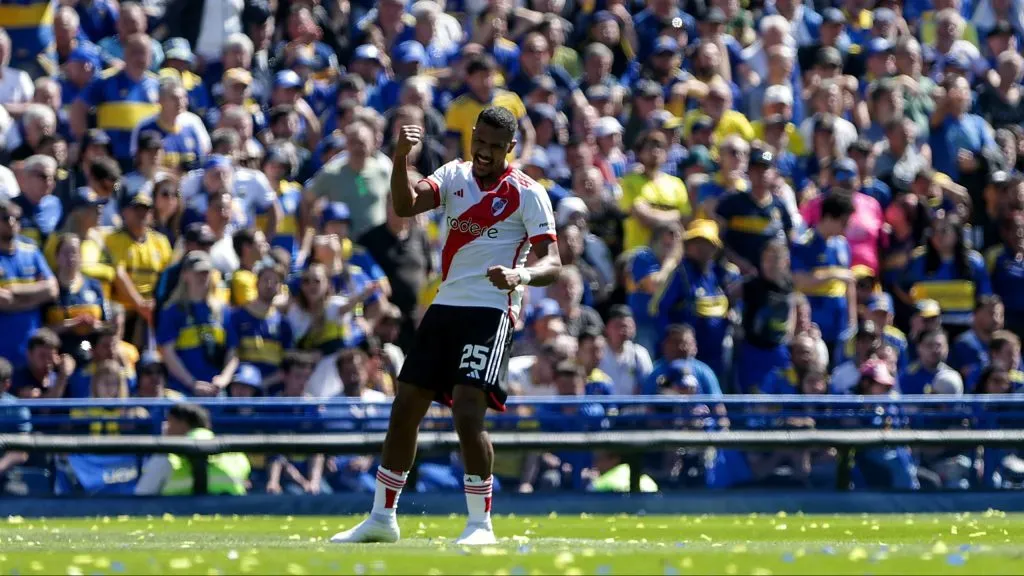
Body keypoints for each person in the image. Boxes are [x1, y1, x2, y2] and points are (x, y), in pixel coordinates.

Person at [332, 108, 560, 545]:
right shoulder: (453, 174)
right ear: (472, 136)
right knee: (405, 410)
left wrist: (521, 276)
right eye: (482, 142)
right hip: (445, 307)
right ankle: (382, 518)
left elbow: (553, 261)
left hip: (491, 311)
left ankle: (480, 524)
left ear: (510, 148)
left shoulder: (527, 193)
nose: (487, 152)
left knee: (468, 411)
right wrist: (399, 159)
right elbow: (404, 204)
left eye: (497, 146)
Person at [156, 251, 235, 397]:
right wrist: (192, 383)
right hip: (182, 391)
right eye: (197, 272)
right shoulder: (172, 311)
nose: (202, 276)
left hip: (216, 392)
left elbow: (233, 352)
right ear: (185, 275)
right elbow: (168, 353)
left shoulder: (223, 311)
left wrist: (224, 379)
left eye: (206, 272)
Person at [791, 193, 857, 356]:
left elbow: (849, 283)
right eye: (843, 221)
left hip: (839, 324)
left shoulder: (842, 245)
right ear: (828, 217)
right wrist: (833, 274)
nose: (846, 226)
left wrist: (852, 321)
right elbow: (799, 281)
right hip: (815, 322)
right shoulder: (805, 244)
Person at [134, 403, 250, 496]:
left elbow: (142, 496)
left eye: (169, 422)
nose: (165, 428)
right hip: (234, 515)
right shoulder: (236, 453)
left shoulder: (166, 456)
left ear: (182, 424)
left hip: (180, 515)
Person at [0, 200, 59, 365]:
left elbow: (52, 289)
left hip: (32, 352)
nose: (12, 223)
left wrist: (15, 289)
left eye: (16, 218)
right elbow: (2, 300)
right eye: (5, 218)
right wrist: (35, 298)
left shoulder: (31, 251)